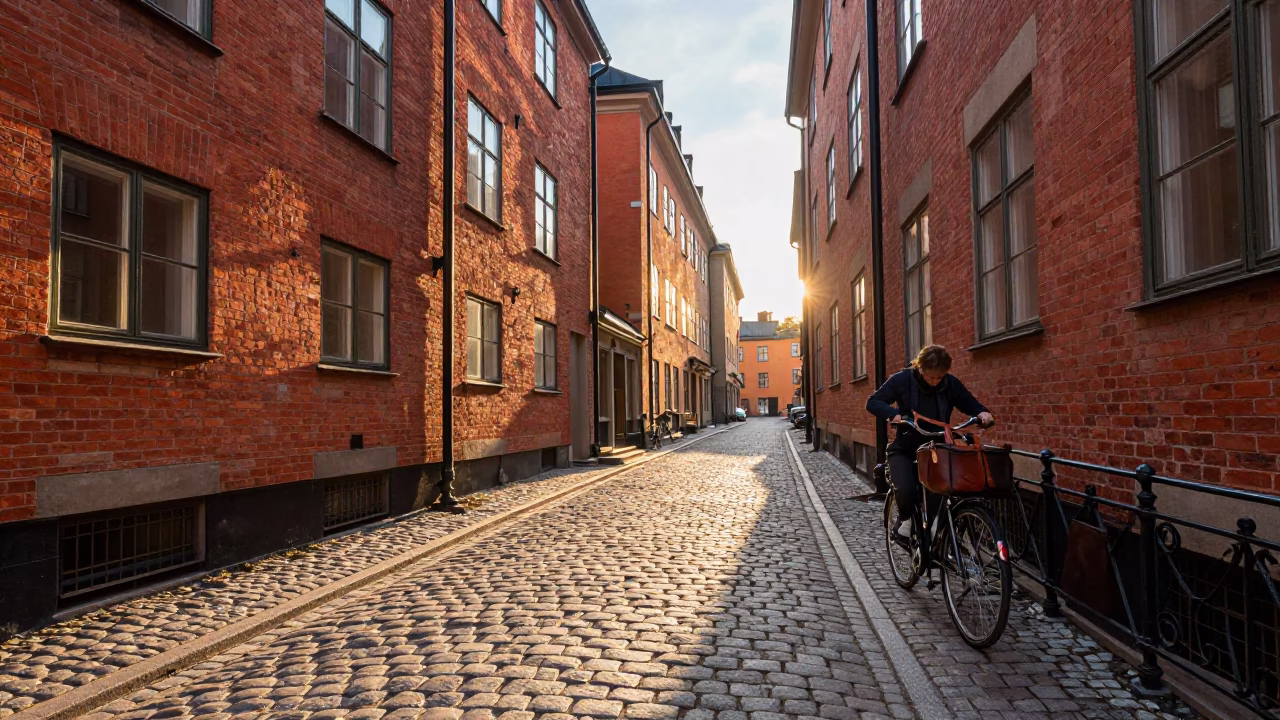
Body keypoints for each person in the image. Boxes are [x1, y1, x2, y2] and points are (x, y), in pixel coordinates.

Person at [865, 345, 994, 537]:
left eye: (939, 377)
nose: (935, 382)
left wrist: (982, 412)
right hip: (906, 447)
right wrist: (893, 414)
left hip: (938, 450)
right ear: (919, 368)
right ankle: (906, 519)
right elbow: (873, 402)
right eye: (930, 376)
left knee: (941, 497)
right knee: (906, 490)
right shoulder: (902, 380)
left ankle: (935, 550)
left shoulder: (950, 383)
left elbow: (969, 403)